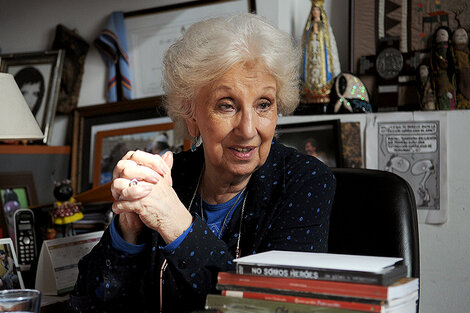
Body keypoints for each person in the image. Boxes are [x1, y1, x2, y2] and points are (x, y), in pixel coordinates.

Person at [71, 13, 335, 313]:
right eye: (227, 105)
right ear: (191, 116)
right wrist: (127, 231)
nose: (248, 129)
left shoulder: (305, 181)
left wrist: (176, 224)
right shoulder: (172, 176)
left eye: (263, 104)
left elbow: (275, 306)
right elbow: (85, 303)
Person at [300, 0, 341, 105]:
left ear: (320, 11)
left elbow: (329, 45)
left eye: (317, 10)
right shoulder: (308, 27)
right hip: (311, 60)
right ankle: (309, 95)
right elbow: (304, 45)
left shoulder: (325, 28)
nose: (315, 12)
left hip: (321, 61)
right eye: (313, 10)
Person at [430, 26, 456, 110]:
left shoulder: (450, 50)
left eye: (443, 35)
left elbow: (445, 64)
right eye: (438, 36)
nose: (441, 36)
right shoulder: (433, 53)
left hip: (447, 82)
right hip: (440, 82)